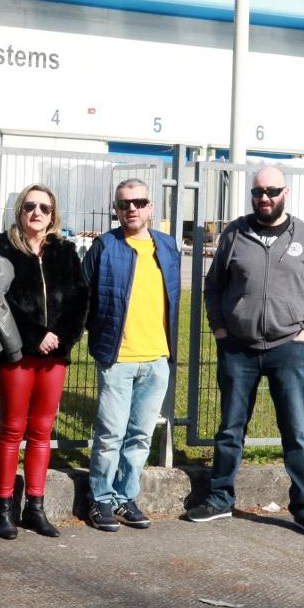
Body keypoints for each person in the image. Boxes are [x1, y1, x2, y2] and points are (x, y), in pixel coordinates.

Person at [189, 166, 304, 539]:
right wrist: (220, 328)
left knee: (297, 432)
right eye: (258, 192)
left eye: (271, 191)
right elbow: (214, 288)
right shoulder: (235, 234)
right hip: (238, 348)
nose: (264, 198)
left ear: (285, 193)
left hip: (289, 348)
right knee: (230, 429)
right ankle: (220, 498)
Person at [0, 185, 88, 539]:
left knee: (41, 432)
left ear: (53, 215)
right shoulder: (2, 248)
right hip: (16, 353)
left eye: (44, 208)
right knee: (13, 429)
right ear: (20, 211)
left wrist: (60, 337)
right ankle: (3, 508)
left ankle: (35, 505)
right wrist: (35, 335)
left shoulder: (65, 252)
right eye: (30, 206)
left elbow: (80, 299)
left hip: (55, 356)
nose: (37, 213)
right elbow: (0, 300)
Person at [83, 179, 180, 532]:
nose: (132, 209)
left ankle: (125, 496)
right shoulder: (105, 246)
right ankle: (101, 498)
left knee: (140, 435)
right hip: (117, 357)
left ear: (150, 207)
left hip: (157, 358)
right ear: (116, 209)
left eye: (138, 202)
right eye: (124, 204)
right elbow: (85, 297)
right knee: (110, 434)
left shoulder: (167, 247)